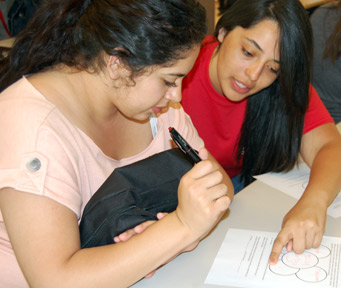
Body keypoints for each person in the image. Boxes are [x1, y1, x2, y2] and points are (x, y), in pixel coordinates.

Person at [0, 0, 233, 287]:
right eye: (169, 80)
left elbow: (219, 185)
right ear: (117, 63)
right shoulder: (32, 128)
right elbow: (56, 280)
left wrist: (151, 241)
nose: (177, 96)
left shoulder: (157, 109)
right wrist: (179, 228)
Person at [180, 0, 341, 264]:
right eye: (248, 52)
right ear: (223, 32)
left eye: (273, 68)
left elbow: (330, 147)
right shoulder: (180, 72)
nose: (252, 74)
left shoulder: (281, 86)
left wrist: (314, 202)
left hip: (239, 197)